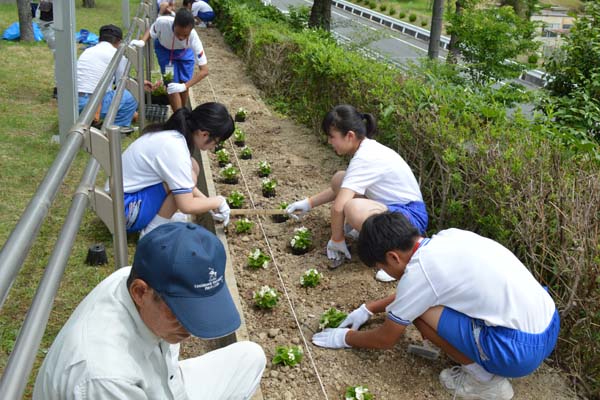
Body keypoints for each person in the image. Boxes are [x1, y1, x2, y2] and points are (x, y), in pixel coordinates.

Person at [312, 212, 560, 400]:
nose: (383, 272)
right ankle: (485, 363)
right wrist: (370, 308)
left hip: (518, 353)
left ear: (393, 257)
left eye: (381, 267)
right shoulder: (449, 237)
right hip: (548, 323)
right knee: (422, 304)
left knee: (419, 313)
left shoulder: (420, 273)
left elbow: (386, 338)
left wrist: (345, 337)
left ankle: (486, 382)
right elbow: (426, 290)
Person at [33, 222, 266, 399]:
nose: (191, 327)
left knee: (250, 357)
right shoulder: (106, 375)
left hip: (160, 384)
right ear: (140, 292)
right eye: (181, 310)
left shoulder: (135, 276)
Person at [286, 104, 428, 281]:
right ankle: (368, 233)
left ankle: (397, 256)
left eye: (332, 137)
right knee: (340, 178)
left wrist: (337, 240)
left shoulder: (365, 158)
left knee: (352, 208)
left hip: (410, 221)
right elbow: (337, 189)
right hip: (396, 210)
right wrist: (308, 203)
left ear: (350, 135)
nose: (330, 142)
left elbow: (338, 208)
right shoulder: (366, 149)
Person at [119, 102, 233, 237]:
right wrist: (218, 201)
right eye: (216, 142)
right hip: (125, 214)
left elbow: (184, 183)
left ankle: (160, 218)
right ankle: (152, 232)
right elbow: (187, 205)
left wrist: (208, 204)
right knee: (185, 181)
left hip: (119, 202)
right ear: (204, 134)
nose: (214, 147)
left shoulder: (172, 135)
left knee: (192, 167)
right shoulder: (175, 149)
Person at [141, 8, 209, 111]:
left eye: (185, 35)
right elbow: (151, 31)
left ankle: (183, 110)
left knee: (184, 81)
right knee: (171, 84)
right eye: (178, 33)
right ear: (174, 24)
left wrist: (184, 86)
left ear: (191, 30)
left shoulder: (194, 38)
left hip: (185, 52)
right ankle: (178, 115)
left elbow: (204, 71)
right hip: (165, 51)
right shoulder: (163, 22)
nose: (181, 37)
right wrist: (142, 41)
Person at [77, 24, 138, 130]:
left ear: (99, 39)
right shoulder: (117, 54)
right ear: (119, 42)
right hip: (91, 104)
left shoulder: (88, 51)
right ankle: (117, 128)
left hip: (73, 103)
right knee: (129, 97)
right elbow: (122, 83)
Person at [34, 0, 57, 98]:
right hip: (50, 25)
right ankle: (59, 88)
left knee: (63, 56)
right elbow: (45, 6)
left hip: (52, 23)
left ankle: (62, 86)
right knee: (61, 55)